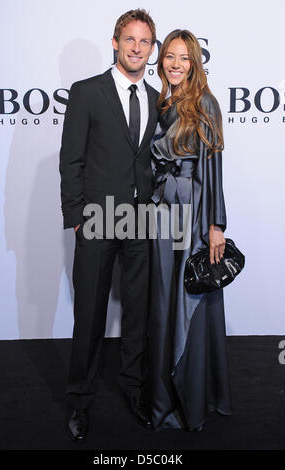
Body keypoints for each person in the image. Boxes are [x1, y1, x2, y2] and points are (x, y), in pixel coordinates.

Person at [59, 9, 159, 442]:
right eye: (130, 40)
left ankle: (134, 392)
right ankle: (80, 401)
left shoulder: (159, 98)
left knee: (138, 314)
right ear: (115, 42)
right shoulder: (87, 92)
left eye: (145, 42)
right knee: (90, 315)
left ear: (151, 49)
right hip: (97, 220)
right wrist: (77, 219)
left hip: (141, 220)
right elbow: (71, 161)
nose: (137, 48)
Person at [148, 29, 233, 431]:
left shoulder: (205, 103)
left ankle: (192, 399)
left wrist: (215, 226)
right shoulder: (162, 101)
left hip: (193, 213)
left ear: (195, 63)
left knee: (187, 298)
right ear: (161, 60)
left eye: (183, 58)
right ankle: (165, 393)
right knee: (165, 298)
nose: (175, 64)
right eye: (169, 56)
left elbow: (213, 168)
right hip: (162, 213)